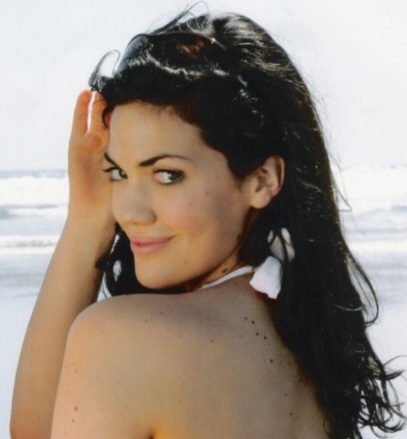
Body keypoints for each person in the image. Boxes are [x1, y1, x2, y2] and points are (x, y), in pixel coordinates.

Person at [10, 9, 404, 439]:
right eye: (119, 172)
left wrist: (84, 230)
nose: (130, 211)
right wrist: (88, 217)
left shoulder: (126, 338)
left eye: (167, 175)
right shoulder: (308, 337)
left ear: (262, 180)